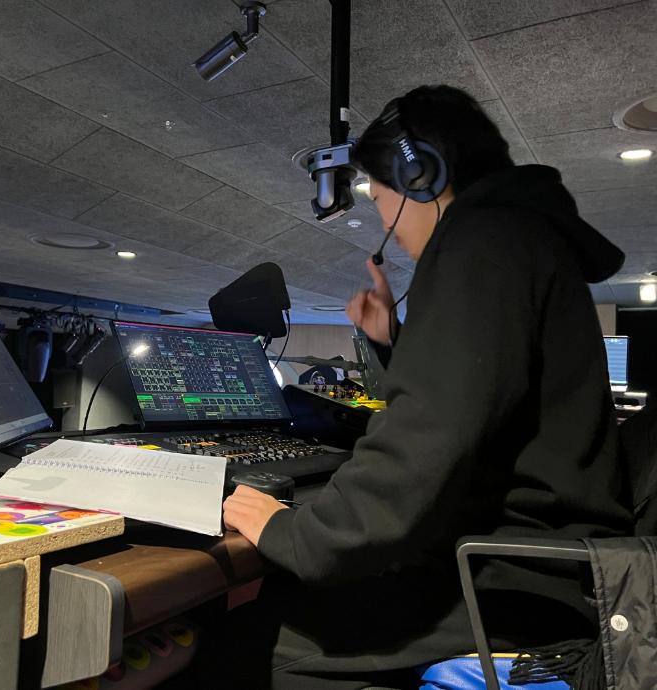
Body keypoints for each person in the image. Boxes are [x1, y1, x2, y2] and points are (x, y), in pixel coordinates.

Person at [219, 85, 633, 689]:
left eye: (382, 201)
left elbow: (424, 445)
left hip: (508, 584)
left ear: (421, 175)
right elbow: (478, 406)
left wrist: (291, 531)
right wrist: (392, 339)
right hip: (545, 570)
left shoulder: (480, 240)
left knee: (244, 647)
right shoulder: (522, 240)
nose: (387, 228)